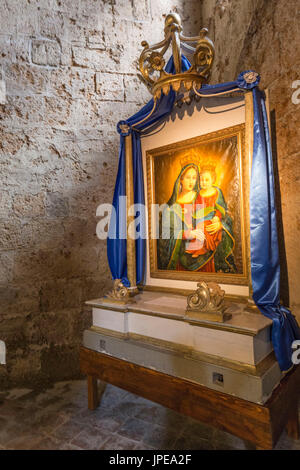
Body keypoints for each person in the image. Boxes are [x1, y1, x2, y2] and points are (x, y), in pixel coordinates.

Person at [158, 163, 236, 273]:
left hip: (207, 258)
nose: (191, 181)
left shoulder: (202, 196)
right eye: (188, 177)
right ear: (181, 179)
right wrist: (187, 234)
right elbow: (165, 236)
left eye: (194, 178)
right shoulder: (171, 208)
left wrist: (220, 224)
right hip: (181, 260)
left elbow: (223, 214)